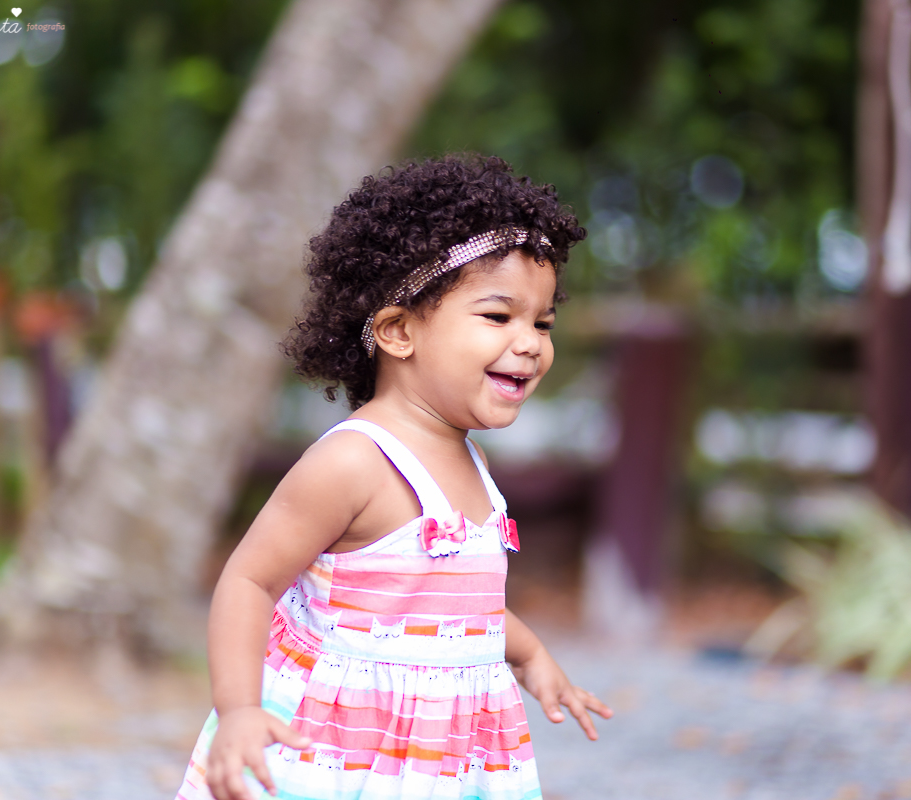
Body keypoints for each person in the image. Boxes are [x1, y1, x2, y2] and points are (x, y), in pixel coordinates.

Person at [176, 155, 612, 800]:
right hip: (340, 747)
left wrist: (529, 656)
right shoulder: (355, 461)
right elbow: (249, 579)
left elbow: (460, 605)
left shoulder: (472, 462)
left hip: (442, 758)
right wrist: (239, 709)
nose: (530, 343)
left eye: (542, 323)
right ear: (399, 331)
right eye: (499, 317)